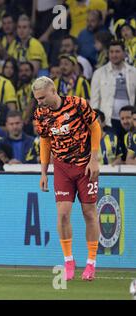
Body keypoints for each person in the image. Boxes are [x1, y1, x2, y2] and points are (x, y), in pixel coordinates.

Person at [33, 76, 101, 281]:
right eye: (37, 99)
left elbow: (95, 127)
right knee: (62, 214)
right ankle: (69, 260)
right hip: (61, 167)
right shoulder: (40, 114)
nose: (40, 102)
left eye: (42, 97)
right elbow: (45, 142)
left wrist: (94, 159)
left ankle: (91, 263)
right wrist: (44, 172)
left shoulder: (77, 104)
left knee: (89, 212)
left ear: (53, 91)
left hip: (84, 164)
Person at [91, 40, 136, 147]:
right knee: (112, 152)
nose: (114, 55)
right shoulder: (99, 73)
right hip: (108, 120)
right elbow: (95, 100)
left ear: (124, 53)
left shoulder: (133, 72)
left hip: (130, 121)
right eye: (111, 52)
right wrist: (95, 122)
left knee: (130, 149)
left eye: (117, 51)